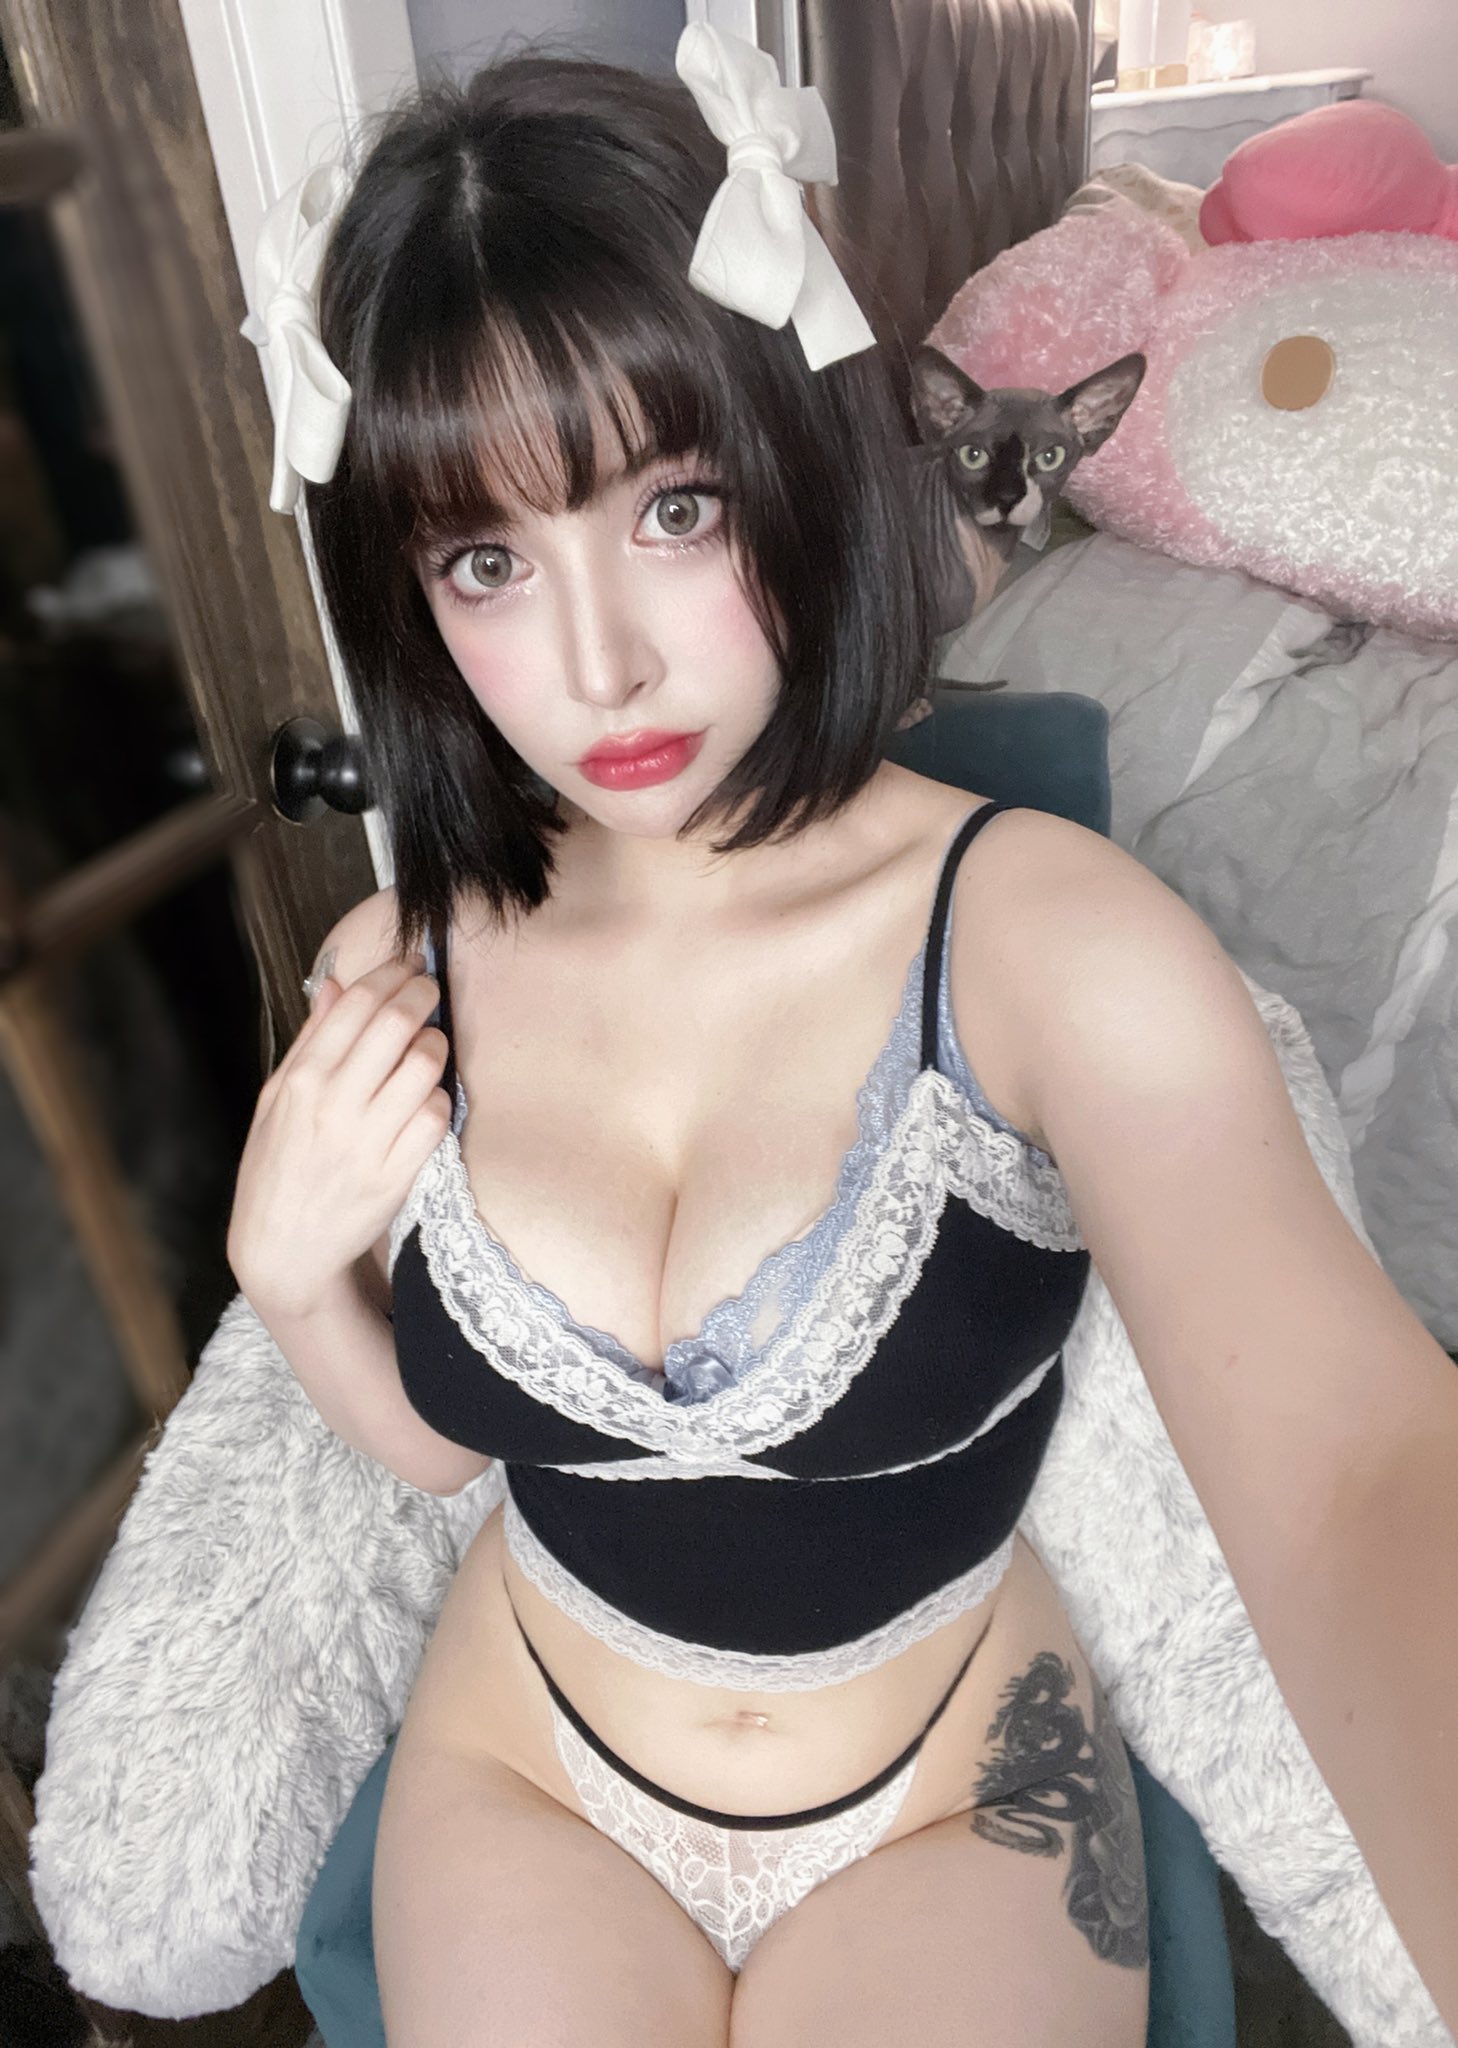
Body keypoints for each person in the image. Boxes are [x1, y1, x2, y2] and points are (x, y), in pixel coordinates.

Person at [227, 28, 1458, 2048]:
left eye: (673, 508)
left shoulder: (1053, 949)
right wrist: (289, 1275)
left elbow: (1357, 1478)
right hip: (528, 1769)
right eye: (488, 561)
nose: (600, 661)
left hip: (953, 1794)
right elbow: (456, 1442)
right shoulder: (403, 958)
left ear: (795, 465)